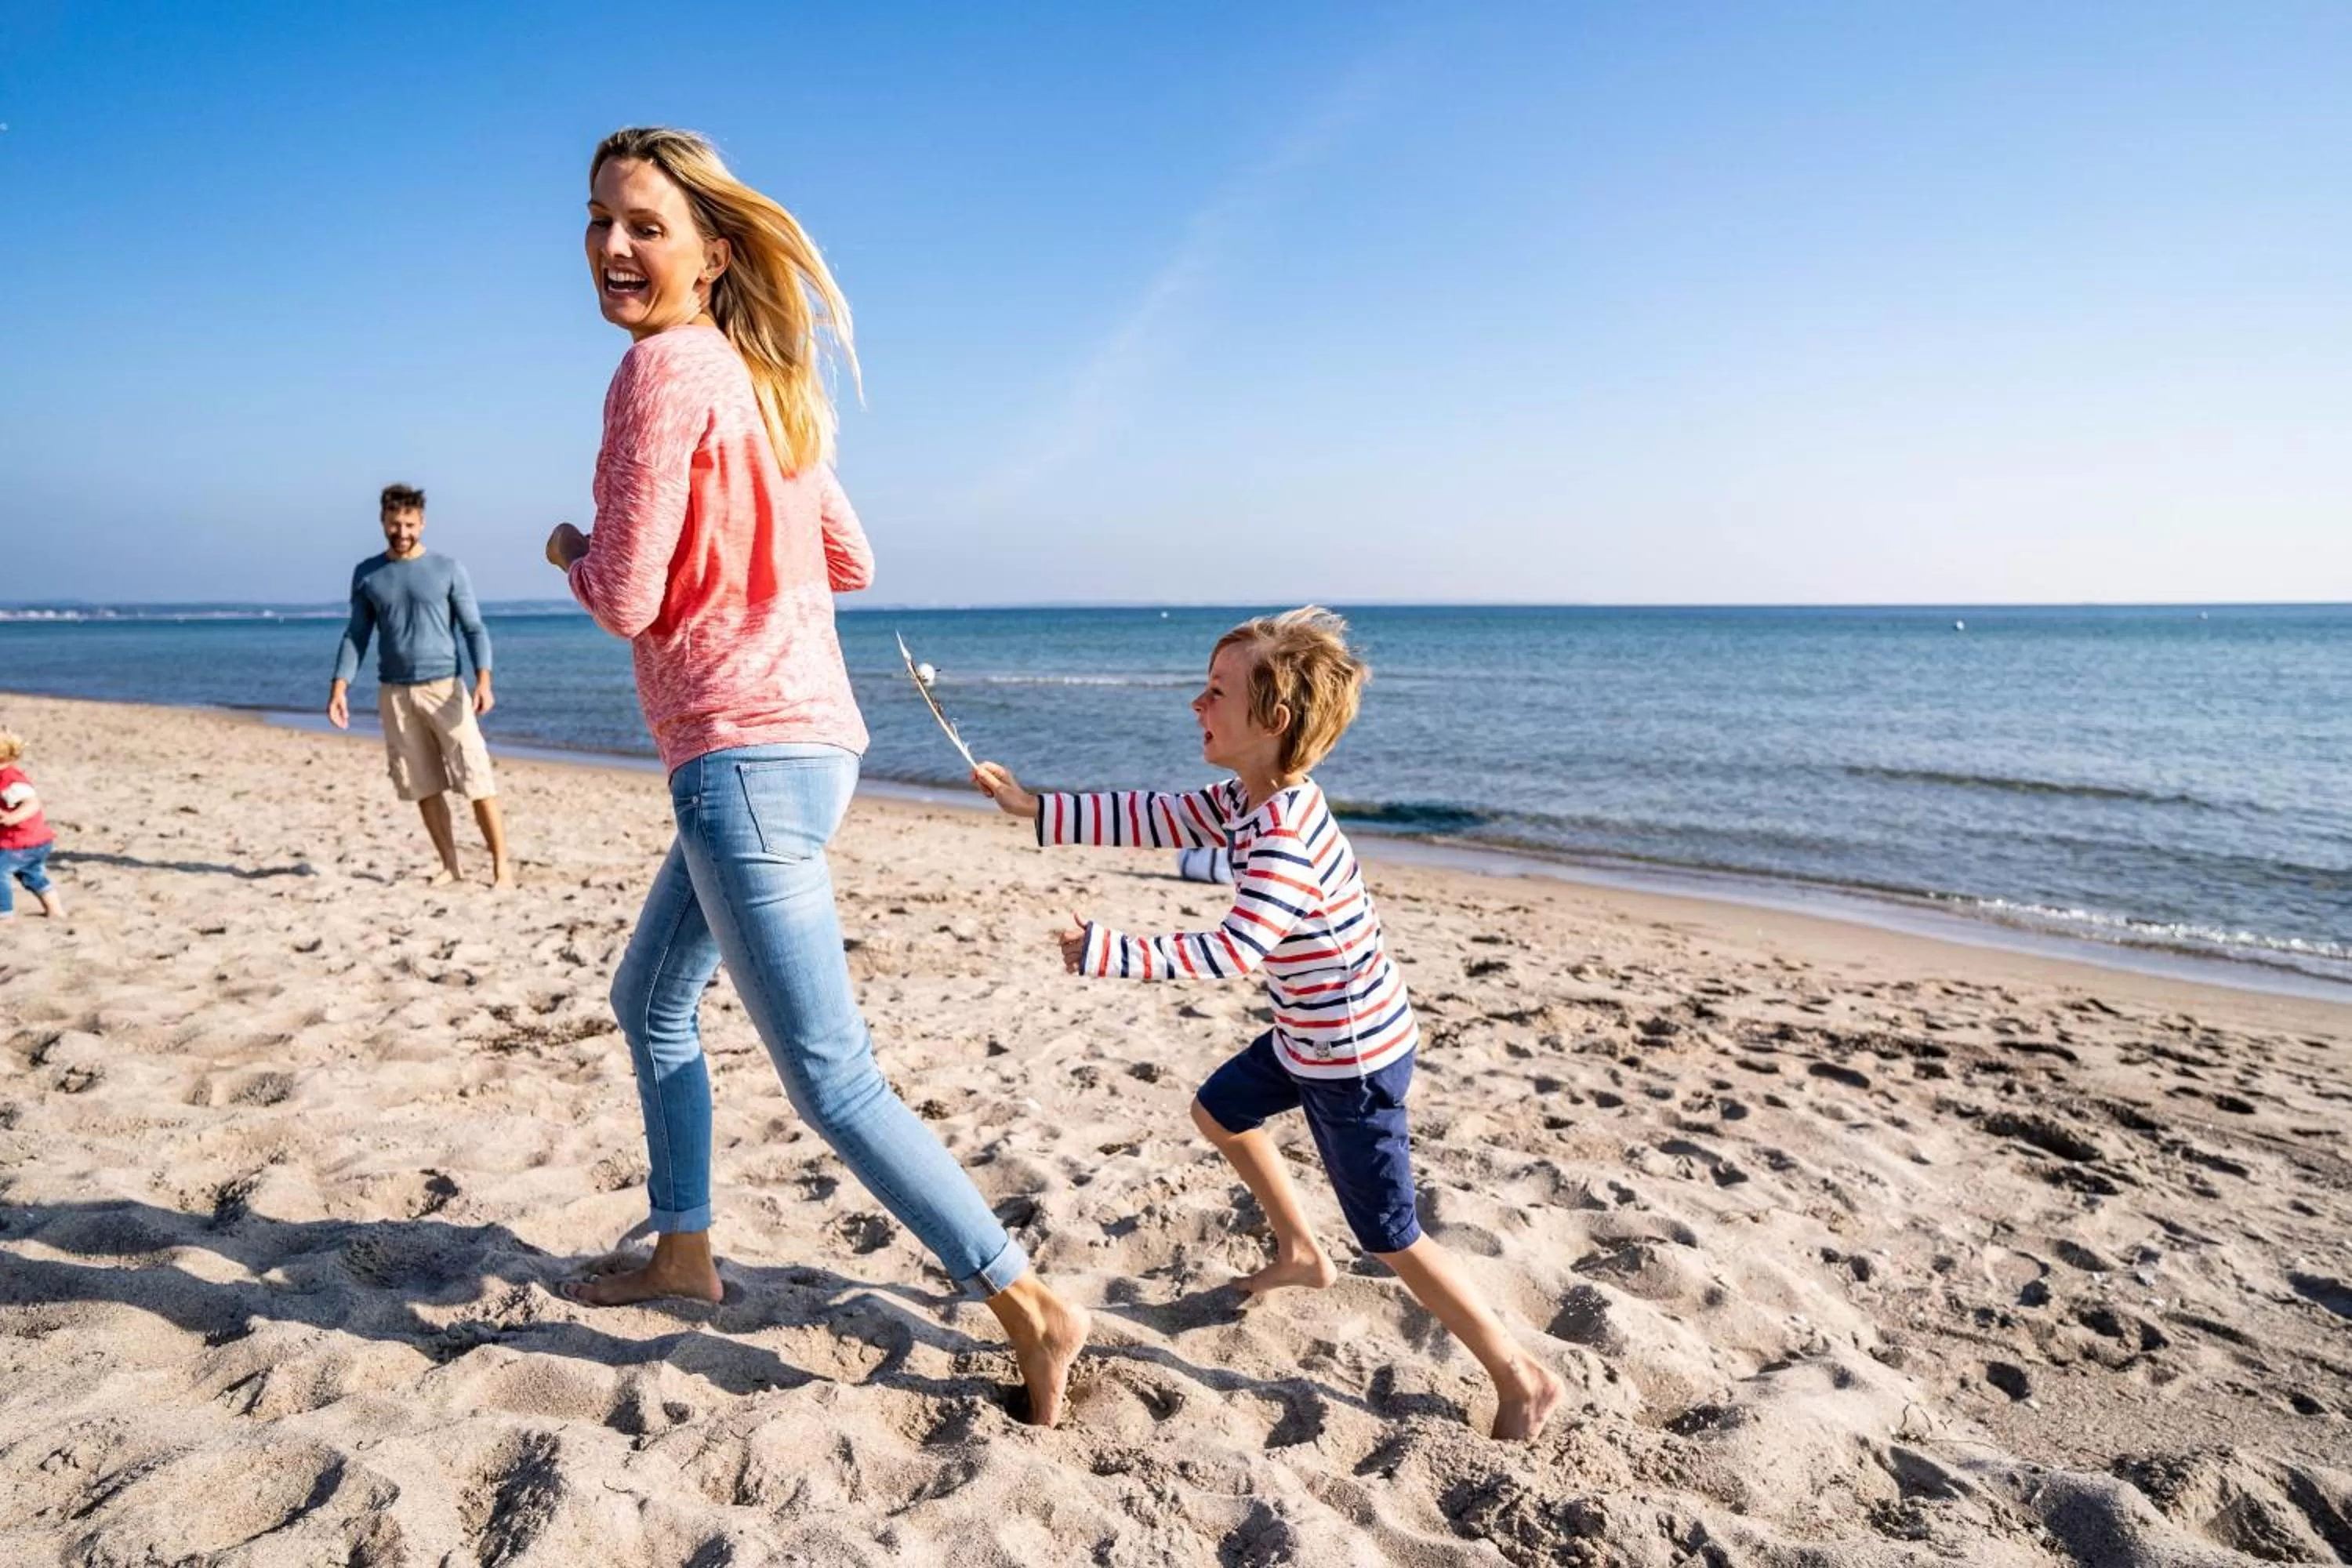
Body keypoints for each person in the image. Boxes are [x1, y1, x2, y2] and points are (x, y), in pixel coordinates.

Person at [542, 127, 1087, 1425]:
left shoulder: (663, 371)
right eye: (599, 219)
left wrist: (574, 547)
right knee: (651, 1001)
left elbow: (622, 592)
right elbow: (850, 560)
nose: (615, 247)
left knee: (834, 1078)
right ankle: (684, 1250)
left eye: (646, 226)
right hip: (812, 744)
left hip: (739, 753)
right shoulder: (762, 381)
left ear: (711, 251)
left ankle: (1028, 1301)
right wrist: (737, 546)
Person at [973, 608, 1566, 1442]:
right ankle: (1299, 1251)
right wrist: (1035, 806)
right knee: (1219, 1110)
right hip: (1310, 1033)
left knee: (1391, 1234)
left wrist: (1108, 947)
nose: (1196, 704)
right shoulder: (1248, 795)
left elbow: (1236, 944)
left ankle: (1522, 1374)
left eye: (1216, 692)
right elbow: (1158, 817)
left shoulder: (1283, 830)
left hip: (1351, 1056)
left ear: (1272, 721)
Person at [328, 484, 514, 888]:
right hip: (394, 693)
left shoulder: (448, 569)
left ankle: (502, 867)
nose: (402, 531)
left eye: (409, 524)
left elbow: (474, 629)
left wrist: (484, 681)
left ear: (422, 522)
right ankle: (450, 865)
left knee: (476, 778)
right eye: (394, 524)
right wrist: (340, 686)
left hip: (446, 689)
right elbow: (356, 635)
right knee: (423, 783)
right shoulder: (368, 574)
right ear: (383, 522)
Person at [0, 728, 65, 920]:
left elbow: (32, 802)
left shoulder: (10, 781)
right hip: (34, 841)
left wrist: (13, 817)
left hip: (20, 842)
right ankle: (55, 910)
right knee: (32, 875)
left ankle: (4, 913)